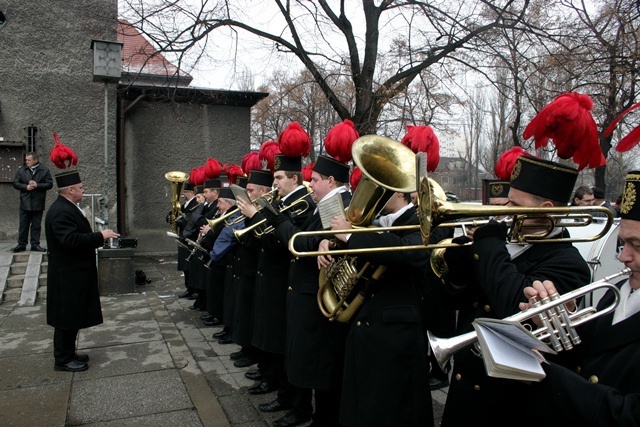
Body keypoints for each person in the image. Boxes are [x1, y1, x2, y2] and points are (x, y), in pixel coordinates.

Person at [438, 155, 591, 426]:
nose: (503, 210)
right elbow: (455, 300)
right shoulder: (508, 241)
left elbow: (512, 306)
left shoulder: (568, 263)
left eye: (514, 204)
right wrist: (459, 264)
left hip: (508, 401)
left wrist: (488, 246)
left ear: (545, 209)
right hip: (467, 387)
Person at [519, 170, 640, 425]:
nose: (622, 257)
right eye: (622, 244)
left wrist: (547, 375)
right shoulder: (616, 292)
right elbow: (591, 360)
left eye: (637, 246)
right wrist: (559, 323)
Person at [320, 191, 433, 427]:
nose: (373, 199)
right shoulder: (372, 223)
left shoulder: (421, 219)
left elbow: (410, 252)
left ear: (401, 192)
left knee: (392, 411)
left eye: (382, 191)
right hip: (364, 325)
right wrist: (329, 242)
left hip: (395, 334)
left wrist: (351, 236)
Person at [261, 154, 351, 427]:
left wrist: (277, 221)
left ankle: (320, 417)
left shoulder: (339, 204)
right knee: (303, 357)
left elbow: (306, 242)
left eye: (314, 180)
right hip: (304, 290)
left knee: (318, 364)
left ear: (331, 180)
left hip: (317, 294)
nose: (310, 185)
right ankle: (299, 406)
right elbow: (314, 238)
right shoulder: (325, 203)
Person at [237, 153, 315, 413]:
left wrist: (254, 217)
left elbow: (282, 244)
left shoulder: (304, 203)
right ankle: (277, 386)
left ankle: (289, 397)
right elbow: (265, 240)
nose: (275, 183)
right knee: (271, 336)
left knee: (282, 343)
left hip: (284, 279)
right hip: (270, 276)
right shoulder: (281, 201)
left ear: (294, 178)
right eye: (274, 178)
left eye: (279, 178)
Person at [46, 169, 119, 372]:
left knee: (72, 315)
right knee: (65, 317)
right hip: (67, 274)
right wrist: (100, 236)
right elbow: (70, 240)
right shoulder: (61, 211)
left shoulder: (67, 207)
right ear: (70, 190)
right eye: (80, 188)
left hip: (73, 272)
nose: (83, 190)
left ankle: (69, 353)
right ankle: (62, 359)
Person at [12, 152, 53, 252]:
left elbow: (49, 184)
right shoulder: (22, 170)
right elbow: (15, 183)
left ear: (36, 160)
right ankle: (21, 244)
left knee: (36, 225)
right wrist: (26, 187)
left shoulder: (44, 170)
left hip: (38, 201)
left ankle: (35, 244)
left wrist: (37, 185)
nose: (26, 162)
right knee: (23, 224)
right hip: (25, 201)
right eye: (26, 160)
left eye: (28, 160)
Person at [172, 181, 200, 298]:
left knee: (190, 265)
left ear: (192, 193)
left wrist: (181, 220)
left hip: (190, 237)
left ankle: (193, 289)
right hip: (183, 237)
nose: (183, 194)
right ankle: (188, 288)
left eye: (185, 191)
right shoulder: (185, 204)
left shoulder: (195, 203)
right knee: (185, 265)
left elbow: (191, 219)